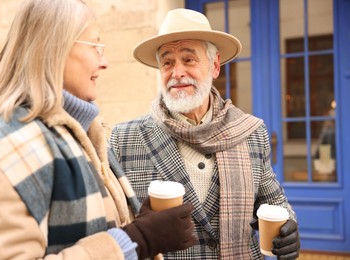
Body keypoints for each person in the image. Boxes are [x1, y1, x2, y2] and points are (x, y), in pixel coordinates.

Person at [0, 1, 196, 259]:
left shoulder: (83, 135)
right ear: (54, 48)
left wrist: (141, 228)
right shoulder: (4, 146)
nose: (105, 62)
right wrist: (137, 240)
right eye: (95, 46)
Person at [110, 8, 300, 260]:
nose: (177, 72)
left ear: (215, 66)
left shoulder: (251, 132)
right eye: (167, 62)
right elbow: (112, 226)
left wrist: (288, 229)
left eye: (188, 59)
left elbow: (273, 203)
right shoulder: (124, 139)